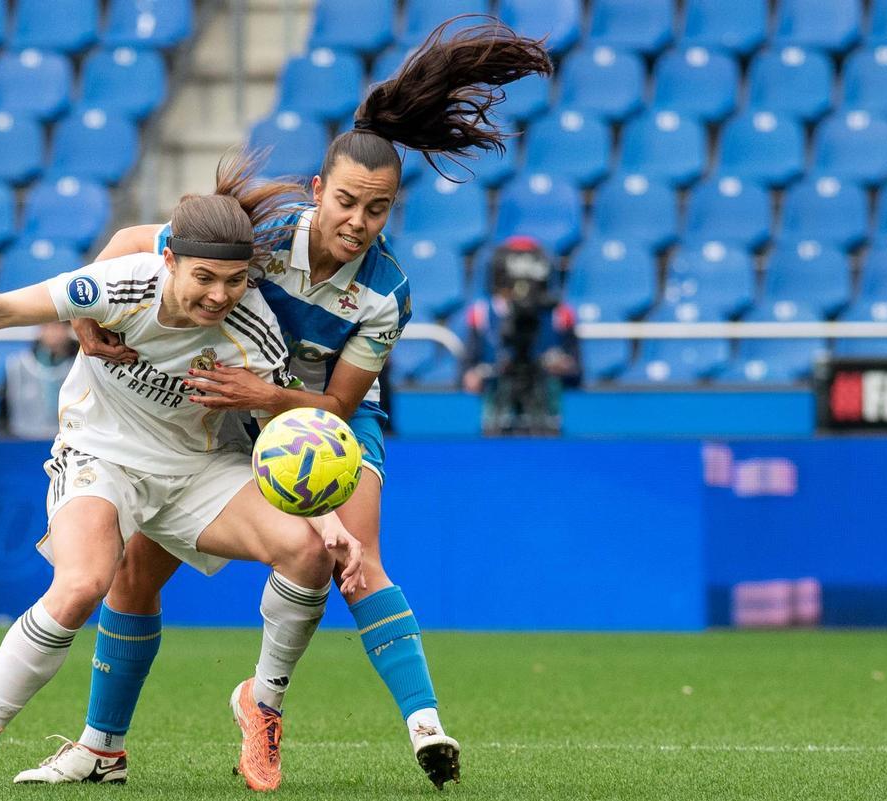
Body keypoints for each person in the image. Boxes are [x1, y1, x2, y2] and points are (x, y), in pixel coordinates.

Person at [27, 15, 553, 791]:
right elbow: (134, 244)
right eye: (346, 202)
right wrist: (83, 320)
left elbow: (336, 405)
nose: (357, 222)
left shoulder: (386, 294)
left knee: (351, 557)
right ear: (318, 191)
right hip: (222, 416)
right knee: (134, 577)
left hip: (320, 422)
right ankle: (103, 744)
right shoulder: (262, 233)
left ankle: (364, 716)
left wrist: (266, 393)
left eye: (377, 210)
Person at [0, 154, 366, 794]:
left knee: (310, 553)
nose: (220, 295)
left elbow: (279, 443)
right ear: (169, 260)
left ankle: (263, 705)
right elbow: (4, 309)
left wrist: (331, 520)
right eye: (204, 277)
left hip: (194, 470)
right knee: (85, 583)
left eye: (233, 279)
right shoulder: (116, 285)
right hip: (101, 454)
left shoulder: (255, 330)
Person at [462, 236, 580, 434]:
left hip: (545, 404)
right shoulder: (481, 313)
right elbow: (465, 372)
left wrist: (562, 366)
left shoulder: (560, 315)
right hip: (498, 397)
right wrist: (479, 374)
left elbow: (577, 374)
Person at [0, 321, 78, 439]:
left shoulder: (81, 364)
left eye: (59, 327)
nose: (53, 333)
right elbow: (4, 413)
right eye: (48, 326)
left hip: (70, 441)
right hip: (23, 441)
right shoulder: (17, 365)